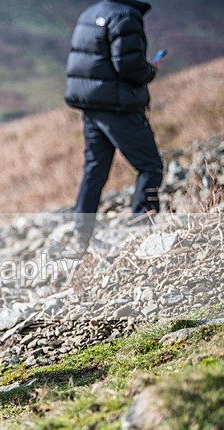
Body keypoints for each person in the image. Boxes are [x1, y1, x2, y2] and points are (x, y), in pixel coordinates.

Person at [64, 0, 165, 251]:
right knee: (150, 166)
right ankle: (142, 233)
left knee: (94, 169)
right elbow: (129, 66)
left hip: (92, 105)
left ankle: (82, 235)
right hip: (117, 105)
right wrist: (150, 70)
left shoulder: (91, 12)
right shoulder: (125, 15)